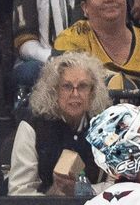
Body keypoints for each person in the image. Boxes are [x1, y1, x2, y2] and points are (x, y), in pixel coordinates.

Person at [7, 51, 112, 196]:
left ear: (92, 92)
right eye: (67, 86)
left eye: (82, 86)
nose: (75, 94)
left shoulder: (105, 127)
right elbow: (19, 191)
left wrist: (81, 191)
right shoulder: (32, 126)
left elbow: (117, 187)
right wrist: (54, 194)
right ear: (54, 91)